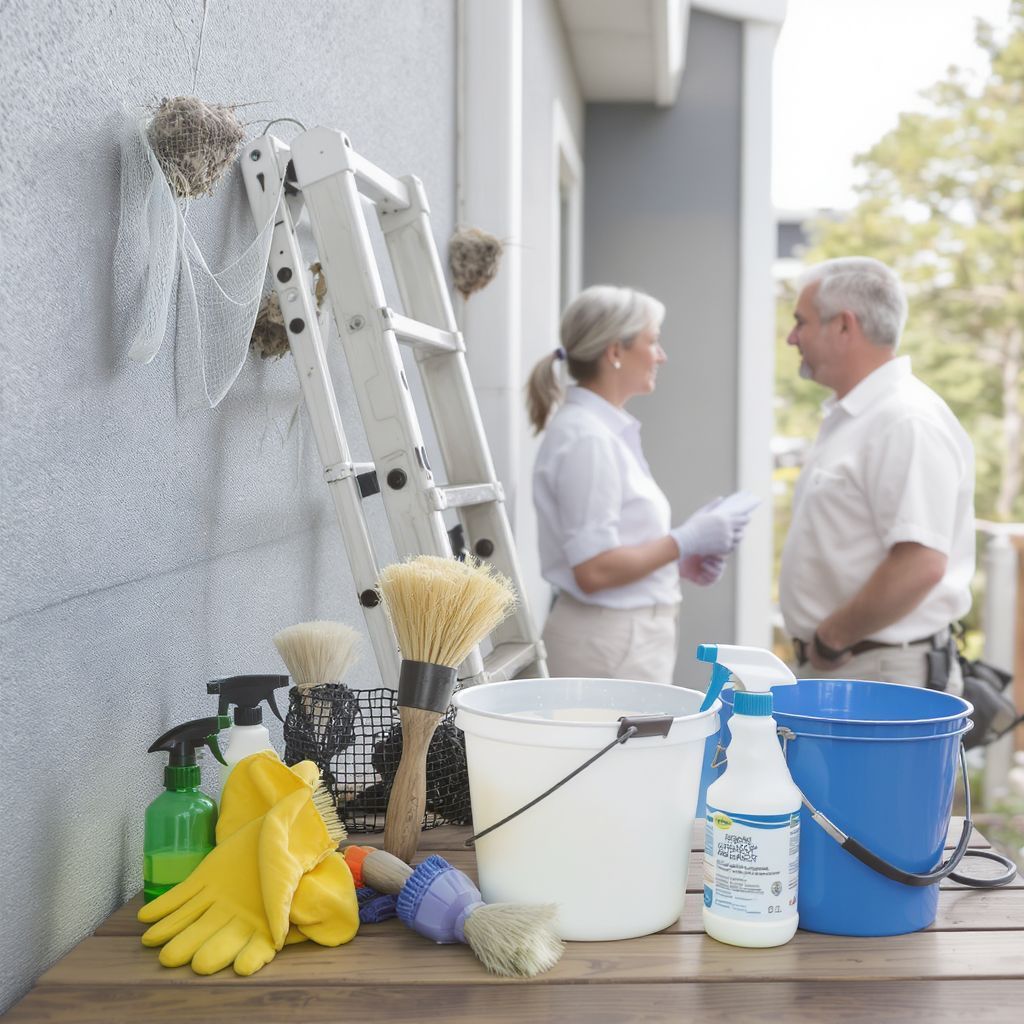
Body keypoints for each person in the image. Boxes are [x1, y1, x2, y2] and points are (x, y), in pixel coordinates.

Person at [526, 285, 753, 683]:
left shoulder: (601, 432)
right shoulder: (589, 439)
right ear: (615, 352)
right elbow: (593, 571)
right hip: (609, 644)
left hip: (618, 639)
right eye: (654, 342)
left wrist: (677, 560)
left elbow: (606, 551)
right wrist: (685, 540)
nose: (661, 356)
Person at [779, 257, 974, 693]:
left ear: (845, 326)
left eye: (801, 322)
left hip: (879, 671)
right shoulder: (861, 417)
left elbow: (920, 563)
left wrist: (830, 639)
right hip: (858, 667)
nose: (793, 338)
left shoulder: (904, 419)